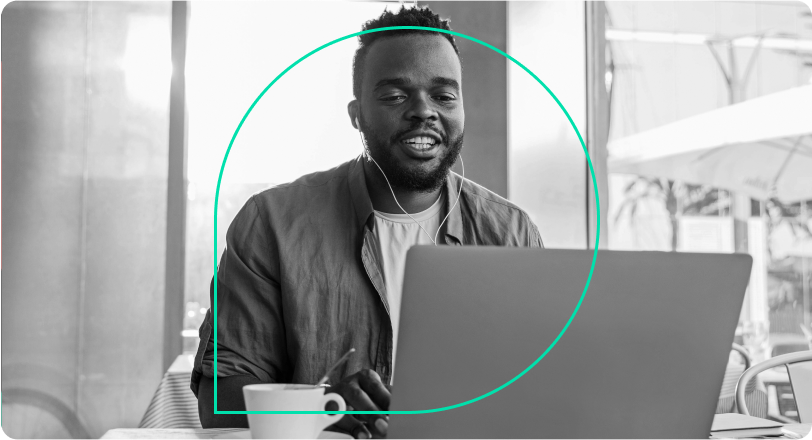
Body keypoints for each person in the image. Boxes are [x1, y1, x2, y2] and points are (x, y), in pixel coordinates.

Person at [191, 5, 543, 439]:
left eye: (444, 96)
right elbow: (220, 403)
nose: (423, 111)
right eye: (395, 96)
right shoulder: (270, 225)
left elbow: (537, 391)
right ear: (356, 115)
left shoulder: (511, 234)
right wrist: (325, 410)